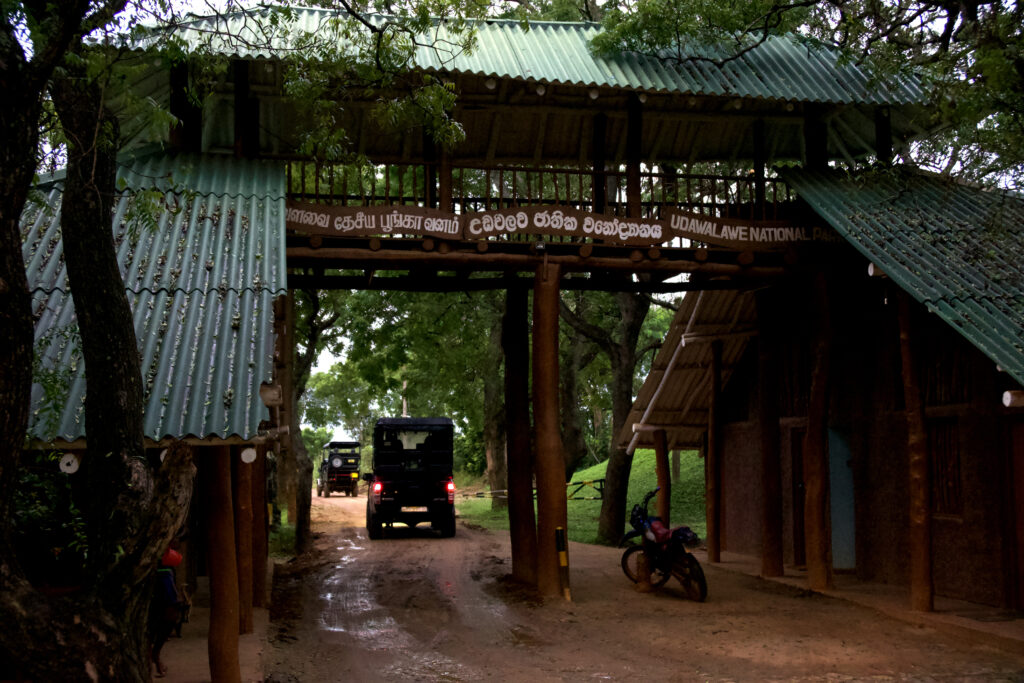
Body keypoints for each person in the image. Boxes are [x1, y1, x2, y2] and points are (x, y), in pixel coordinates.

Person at [149, 545, 183, 678]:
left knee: (153, 638)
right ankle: (156, 661)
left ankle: (157, 661)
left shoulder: (165, 570)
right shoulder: (164, 572)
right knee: (156, 638)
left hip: (160, 607)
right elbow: (169, 595)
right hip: (163, 608)